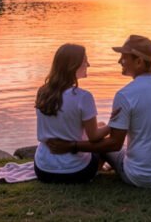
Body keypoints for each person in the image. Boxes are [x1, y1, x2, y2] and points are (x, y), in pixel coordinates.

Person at [47, 35, 151, 188]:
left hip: (140, 176)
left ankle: (95, 171)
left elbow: (114, 144)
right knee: (111, 138)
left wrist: (73, 146)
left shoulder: (125, 95)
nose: (119, 61)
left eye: (123, 57)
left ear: (139, 61)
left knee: (103, 145)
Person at [34, 43, 110, 183]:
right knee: (101, 139)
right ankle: (98, 169)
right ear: (73, 65)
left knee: (100, 124)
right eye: (85, 61)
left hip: (43, 170)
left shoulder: (43, 92)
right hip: (76, 171)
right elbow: (94, 137)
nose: (89, 64)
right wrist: (114, 124)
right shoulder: (83, 97)